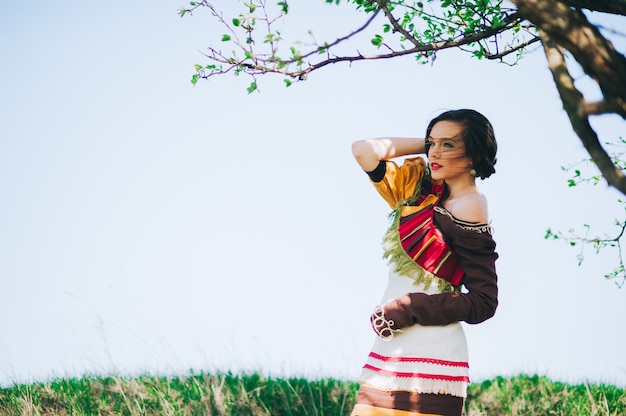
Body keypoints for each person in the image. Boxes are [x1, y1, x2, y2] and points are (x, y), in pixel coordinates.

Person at [350, 109, 499, 416]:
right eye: (432, 143)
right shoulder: (418, 193)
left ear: (473, 155)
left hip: (432, 359)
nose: (434, 152)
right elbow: (364, 150)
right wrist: (430, 145)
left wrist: (410, 306)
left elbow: (484, 301)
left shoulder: (471, 204)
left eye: (449, 144)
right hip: (390, 350)